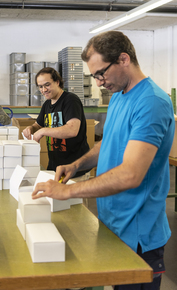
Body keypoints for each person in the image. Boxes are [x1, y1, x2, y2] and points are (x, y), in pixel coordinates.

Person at [32, 31, 175, 290]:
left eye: (101, 73)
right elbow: (107, 143)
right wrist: (77, 165)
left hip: (138, 234)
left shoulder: (151, 102)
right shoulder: (120, 97)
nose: (98, 83)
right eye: (94, 76)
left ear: (123, 59)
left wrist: (68, 191)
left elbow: (131, 174)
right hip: (113, 222)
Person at [23, 67, 90, 178]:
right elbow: (38, 125)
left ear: (57, 82)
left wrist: (43, 131)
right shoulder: (47, 104)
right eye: (40, 86)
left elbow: (72, 130)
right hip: (55, 166)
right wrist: (31, 128)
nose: (44, 90)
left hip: (74, 169)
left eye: (47, 85)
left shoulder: (70, 100)